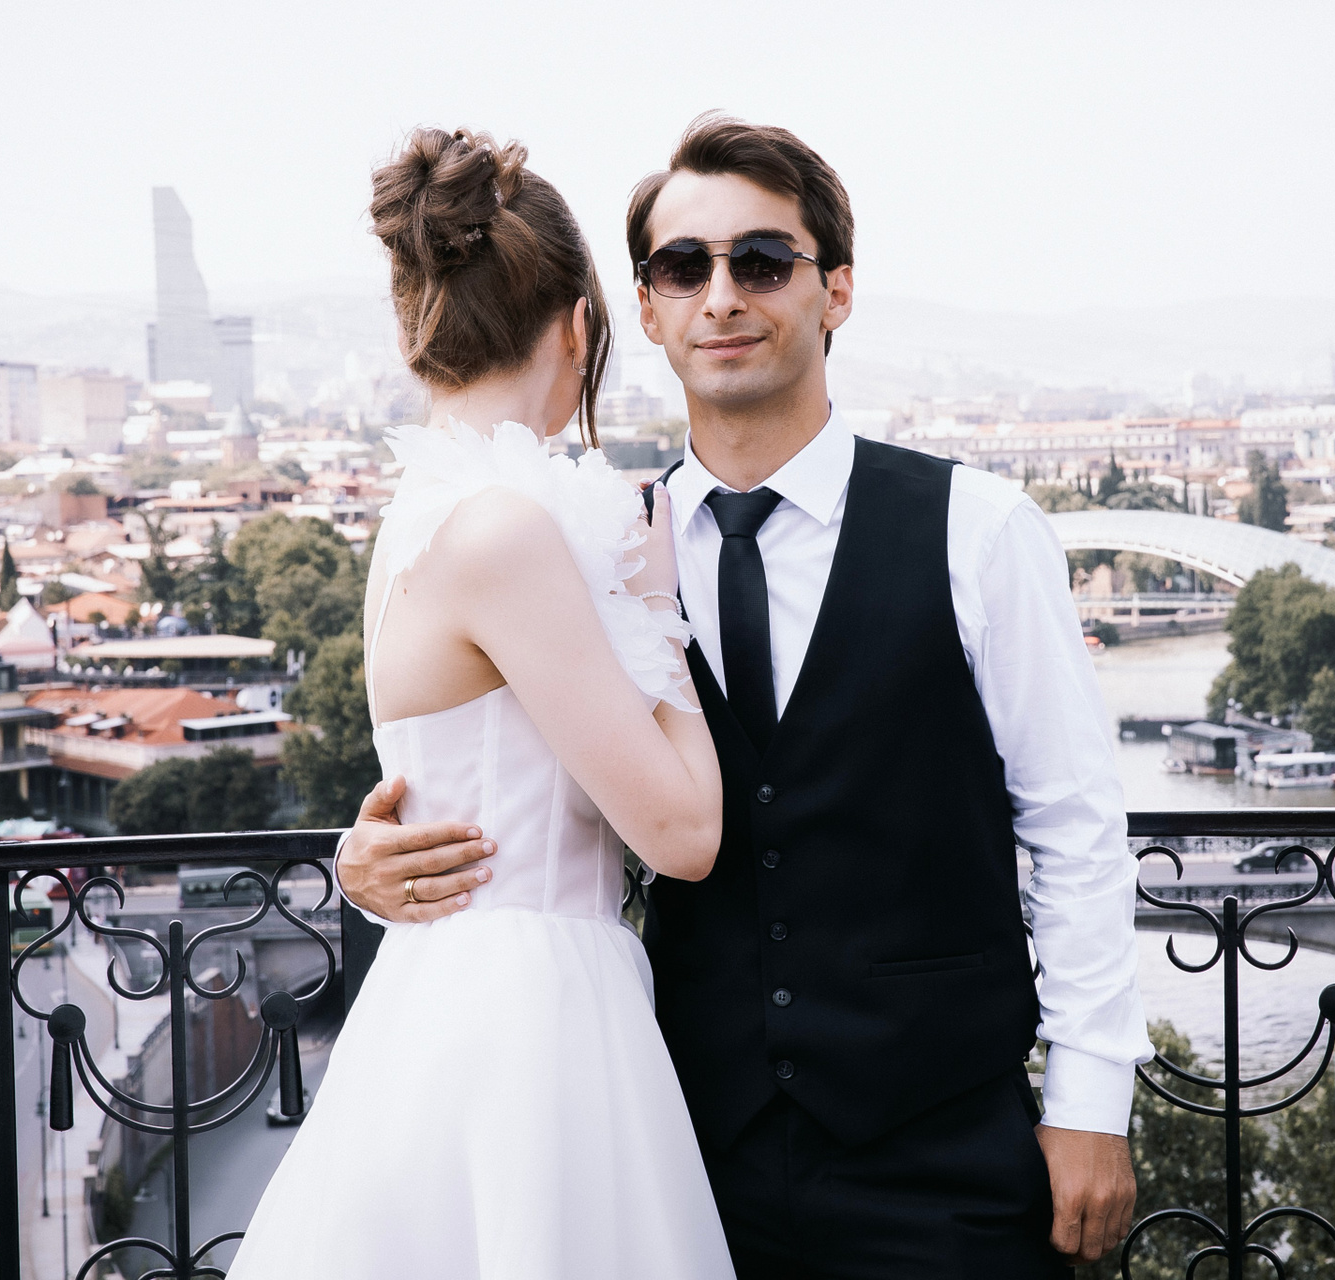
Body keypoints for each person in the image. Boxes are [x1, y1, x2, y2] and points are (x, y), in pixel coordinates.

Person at [337, 114, 1153, 1278]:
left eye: (762, 260)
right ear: (641, 308)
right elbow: (501, 763)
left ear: (837, 289)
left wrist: (1091, 1099)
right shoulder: (592, 550)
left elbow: (1074, 826)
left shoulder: (978, 530)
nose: (721, 295)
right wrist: (369, 859)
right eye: (683, 266)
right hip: (686, 1156)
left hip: (941, 1160)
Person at [226, 127, 736, 1279]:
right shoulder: (504, 530)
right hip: (530, 1015)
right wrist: (657, 608)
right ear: (578, 326)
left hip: (457, 992)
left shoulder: (424, 517)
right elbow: (683, 832)